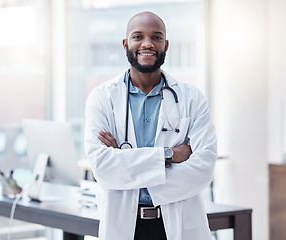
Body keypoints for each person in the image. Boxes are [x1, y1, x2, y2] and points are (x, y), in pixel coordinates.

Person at [84, 11, 217, 240]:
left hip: (179, 224)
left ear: (166, 45)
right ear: (126, 44)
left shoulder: (192, 98)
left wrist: (126, 162)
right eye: (138, 36)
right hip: (124, 225)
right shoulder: (102, 98)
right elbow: (103, 169)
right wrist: (169, 155)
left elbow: (203, 169)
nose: (147, 43)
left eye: (156, 37)